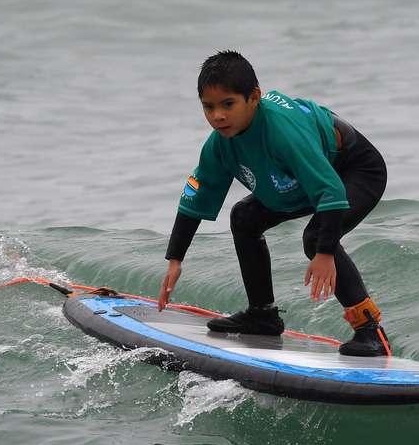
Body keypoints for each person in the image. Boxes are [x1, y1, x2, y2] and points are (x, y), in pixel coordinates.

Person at [156, 50, 391, 357]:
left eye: (228, 104)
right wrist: (175, 260)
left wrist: (324, 253)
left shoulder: (282, 131)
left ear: (254, 97)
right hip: (300, 181)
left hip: (354, 170)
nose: (218, 116)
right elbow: (195, 199)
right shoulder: (219, 145)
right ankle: (262, 315)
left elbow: (329, 189)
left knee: (316, 237)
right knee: (244, 217)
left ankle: (370, 331)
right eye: (209, 107)